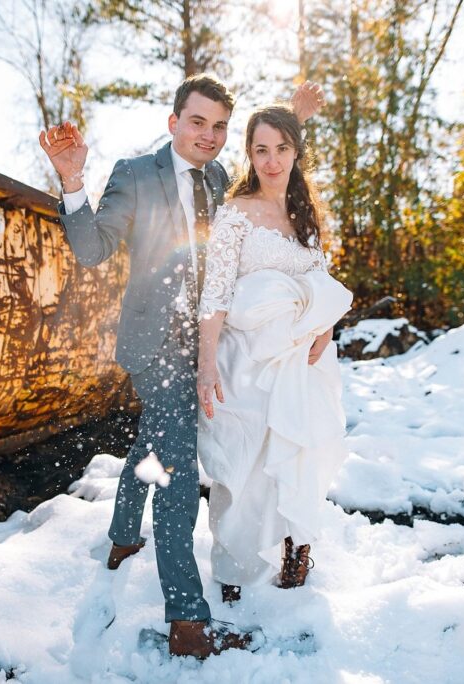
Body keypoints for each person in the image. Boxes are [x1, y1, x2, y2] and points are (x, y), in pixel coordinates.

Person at [39, 75, 324, 658]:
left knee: (155, 446)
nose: (210, 136)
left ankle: (121, 537)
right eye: (199, 122)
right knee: (175, 471)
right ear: (174, 123)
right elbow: (93, 251)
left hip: (209, 344)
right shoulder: (136, 174)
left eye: (220, 127)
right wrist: (72, 180)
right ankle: (187, 623)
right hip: (155, 343)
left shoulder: (221, 179)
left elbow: (273, 172)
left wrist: (294, 117)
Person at [196, 104, 352, 604]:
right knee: (246, 464)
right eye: (261, 149)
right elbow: (215, 292)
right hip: (246, 360)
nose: (272, 159)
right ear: (249, 154)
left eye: (282, 148)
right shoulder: (235, 213)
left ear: (295, 152)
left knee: (299, 453)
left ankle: (295, 546)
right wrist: (204, 363)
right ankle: (235, 564)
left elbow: (320, 281)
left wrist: (326, 326)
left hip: (302, 361)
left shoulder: (307, 215)